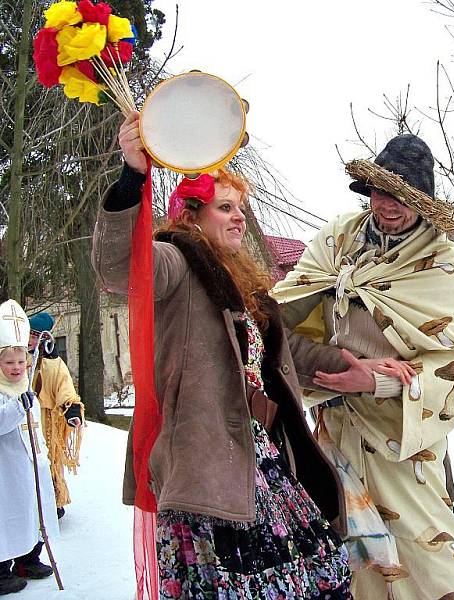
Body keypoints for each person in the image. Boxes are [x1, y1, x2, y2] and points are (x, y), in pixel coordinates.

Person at [91, 111, 351, 599]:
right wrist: (132, 176)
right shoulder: (174, 258)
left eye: (240, 208)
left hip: (257, 452)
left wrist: (354, 367)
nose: (239, 217)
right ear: (191, 215)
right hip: (205, 462)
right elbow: (121, 267)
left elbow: (283, 352)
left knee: (318, 574)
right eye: (225, 207)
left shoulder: (243, 280)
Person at [272, 134, 454, 600]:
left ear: (424, 204)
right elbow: (290, 303)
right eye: (379, 191)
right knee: (348, 549)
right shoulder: (339, 238)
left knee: (424, 546)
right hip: (336, 423)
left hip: (401, 433)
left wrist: (375, 380)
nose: (387, 206)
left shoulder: (442, 262)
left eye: (402, 197)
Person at [0, 299, 58, 596]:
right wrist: (15, 408)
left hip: (31, 461)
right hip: (6, 467)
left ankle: (28, 558)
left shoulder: (25, 383)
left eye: (20, 362)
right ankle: (0, 570)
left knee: (33, 508)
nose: (16, 368)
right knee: (7, 514)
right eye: (9, 363)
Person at [27, 311, 83, 519]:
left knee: (48, 461)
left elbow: (64, 386)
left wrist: (72, 410)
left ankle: (52, 503)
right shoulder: (14, 356)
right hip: (21, 421)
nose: (30, 339)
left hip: (45, 422)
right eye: (29, 333)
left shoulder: (52, 363)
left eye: (36, 336)